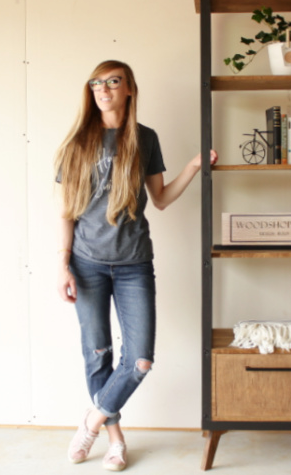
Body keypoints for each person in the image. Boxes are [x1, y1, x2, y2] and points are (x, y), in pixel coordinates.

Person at [54, 60, 216, 471]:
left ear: (128, 89)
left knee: (139, 359)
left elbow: (160, 199)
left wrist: (194, 167)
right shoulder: (78, 142)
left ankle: (91, 421)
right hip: (86, 263)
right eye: (96, 83)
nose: (104, 88)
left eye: (113, 81)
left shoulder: (145, 138)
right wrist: (63, 265)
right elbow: (67, 211)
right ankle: (114, 440)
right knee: (98, 355)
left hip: (133, 264)